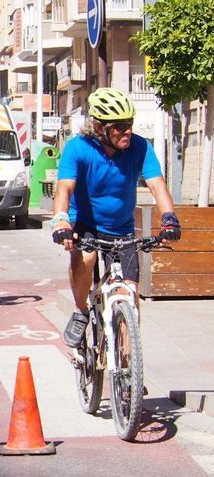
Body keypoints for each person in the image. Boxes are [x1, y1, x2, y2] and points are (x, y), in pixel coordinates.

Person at [52, 87, 181, 348]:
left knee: (129, 296)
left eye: (130, 124)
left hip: (121, 228)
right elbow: (64, 187)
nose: (127, 131)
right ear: (99, 127)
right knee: (85, 257)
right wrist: (61, 220)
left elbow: (157, 185)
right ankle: (80, 311)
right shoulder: (78, 148)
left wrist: (169, 217)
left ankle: (127, 365)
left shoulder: (140, 147)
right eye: (120, 126)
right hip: (85, 223)